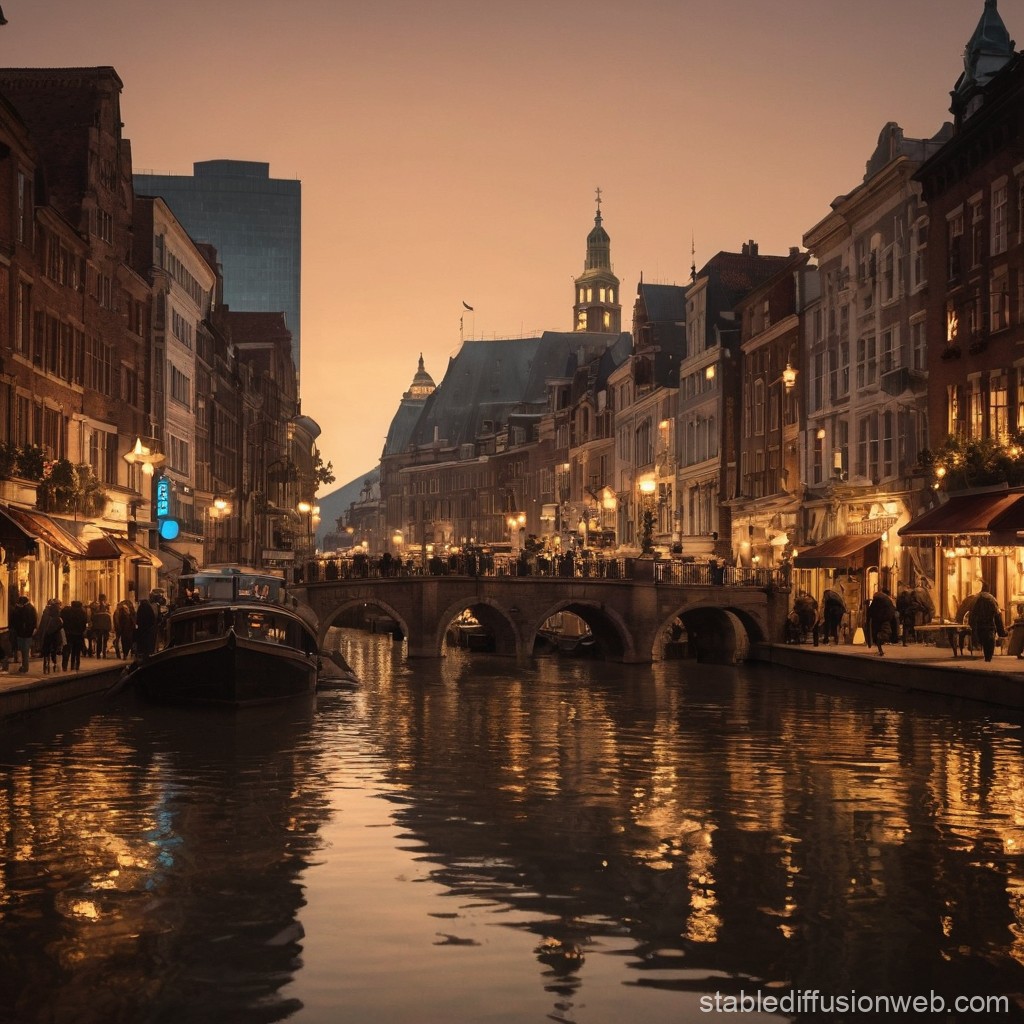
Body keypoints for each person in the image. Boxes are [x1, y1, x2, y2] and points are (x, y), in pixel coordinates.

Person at [968, 583, 1007, 663]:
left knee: (980, 644)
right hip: (989, 627)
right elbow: (997, 615)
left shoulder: (975, 598)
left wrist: (972, 625)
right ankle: (987, 660)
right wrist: (1001, 631)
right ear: (989, 590)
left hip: (978, 626)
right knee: (989, 647)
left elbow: (971, 613)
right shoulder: (991, 599)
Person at [9, 594, 37, 673]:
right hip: (27, 633)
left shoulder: (20, 609)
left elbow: (14, 621)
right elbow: (34, 621)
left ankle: (24, 667)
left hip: (21, 633)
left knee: (22, 650)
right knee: (24, 650)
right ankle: (24, 666)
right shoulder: (31, 609)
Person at [36, 598, 64, 674]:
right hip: (55, 634)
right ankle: (54, 661)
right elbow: (61, 625)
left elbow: (42, 624)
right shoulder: (58, 616)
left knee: (46, 647)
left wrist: (41, 632)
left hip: (47, 634)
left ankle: (46, 659)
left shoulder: (46, 614)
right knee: (54, 648)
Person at [867, 588, 898, 656]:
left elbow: (871, 609)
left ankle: (880, 650)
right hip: (885, 619)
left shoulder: (878, 599)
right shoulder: (886, 600)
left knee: (881, 633)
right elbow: (891, 610)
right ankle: (879, 642)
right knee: (886, 633)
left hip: (877, 620)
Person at [60, 599, 88, 672]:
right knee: (76, 651)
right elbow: (85, 622)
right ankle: (75, 665)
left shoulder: (67, 611)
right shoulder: (82, 612)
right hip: (78, 634)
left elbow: (62, 619)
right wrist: (82, 631)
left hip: (68, 633)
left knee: (67, 649)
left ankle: (64, 665)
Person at [134, 590, 161, 659]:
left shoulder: (141, 608)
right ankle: (150, 654)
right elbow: (153, 617)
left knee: (142, 642)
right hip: (150, 628)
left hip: (142, 629)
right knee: (151, 642)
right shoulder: (152, 607)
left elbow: (137, 619)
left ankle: (142, 654)